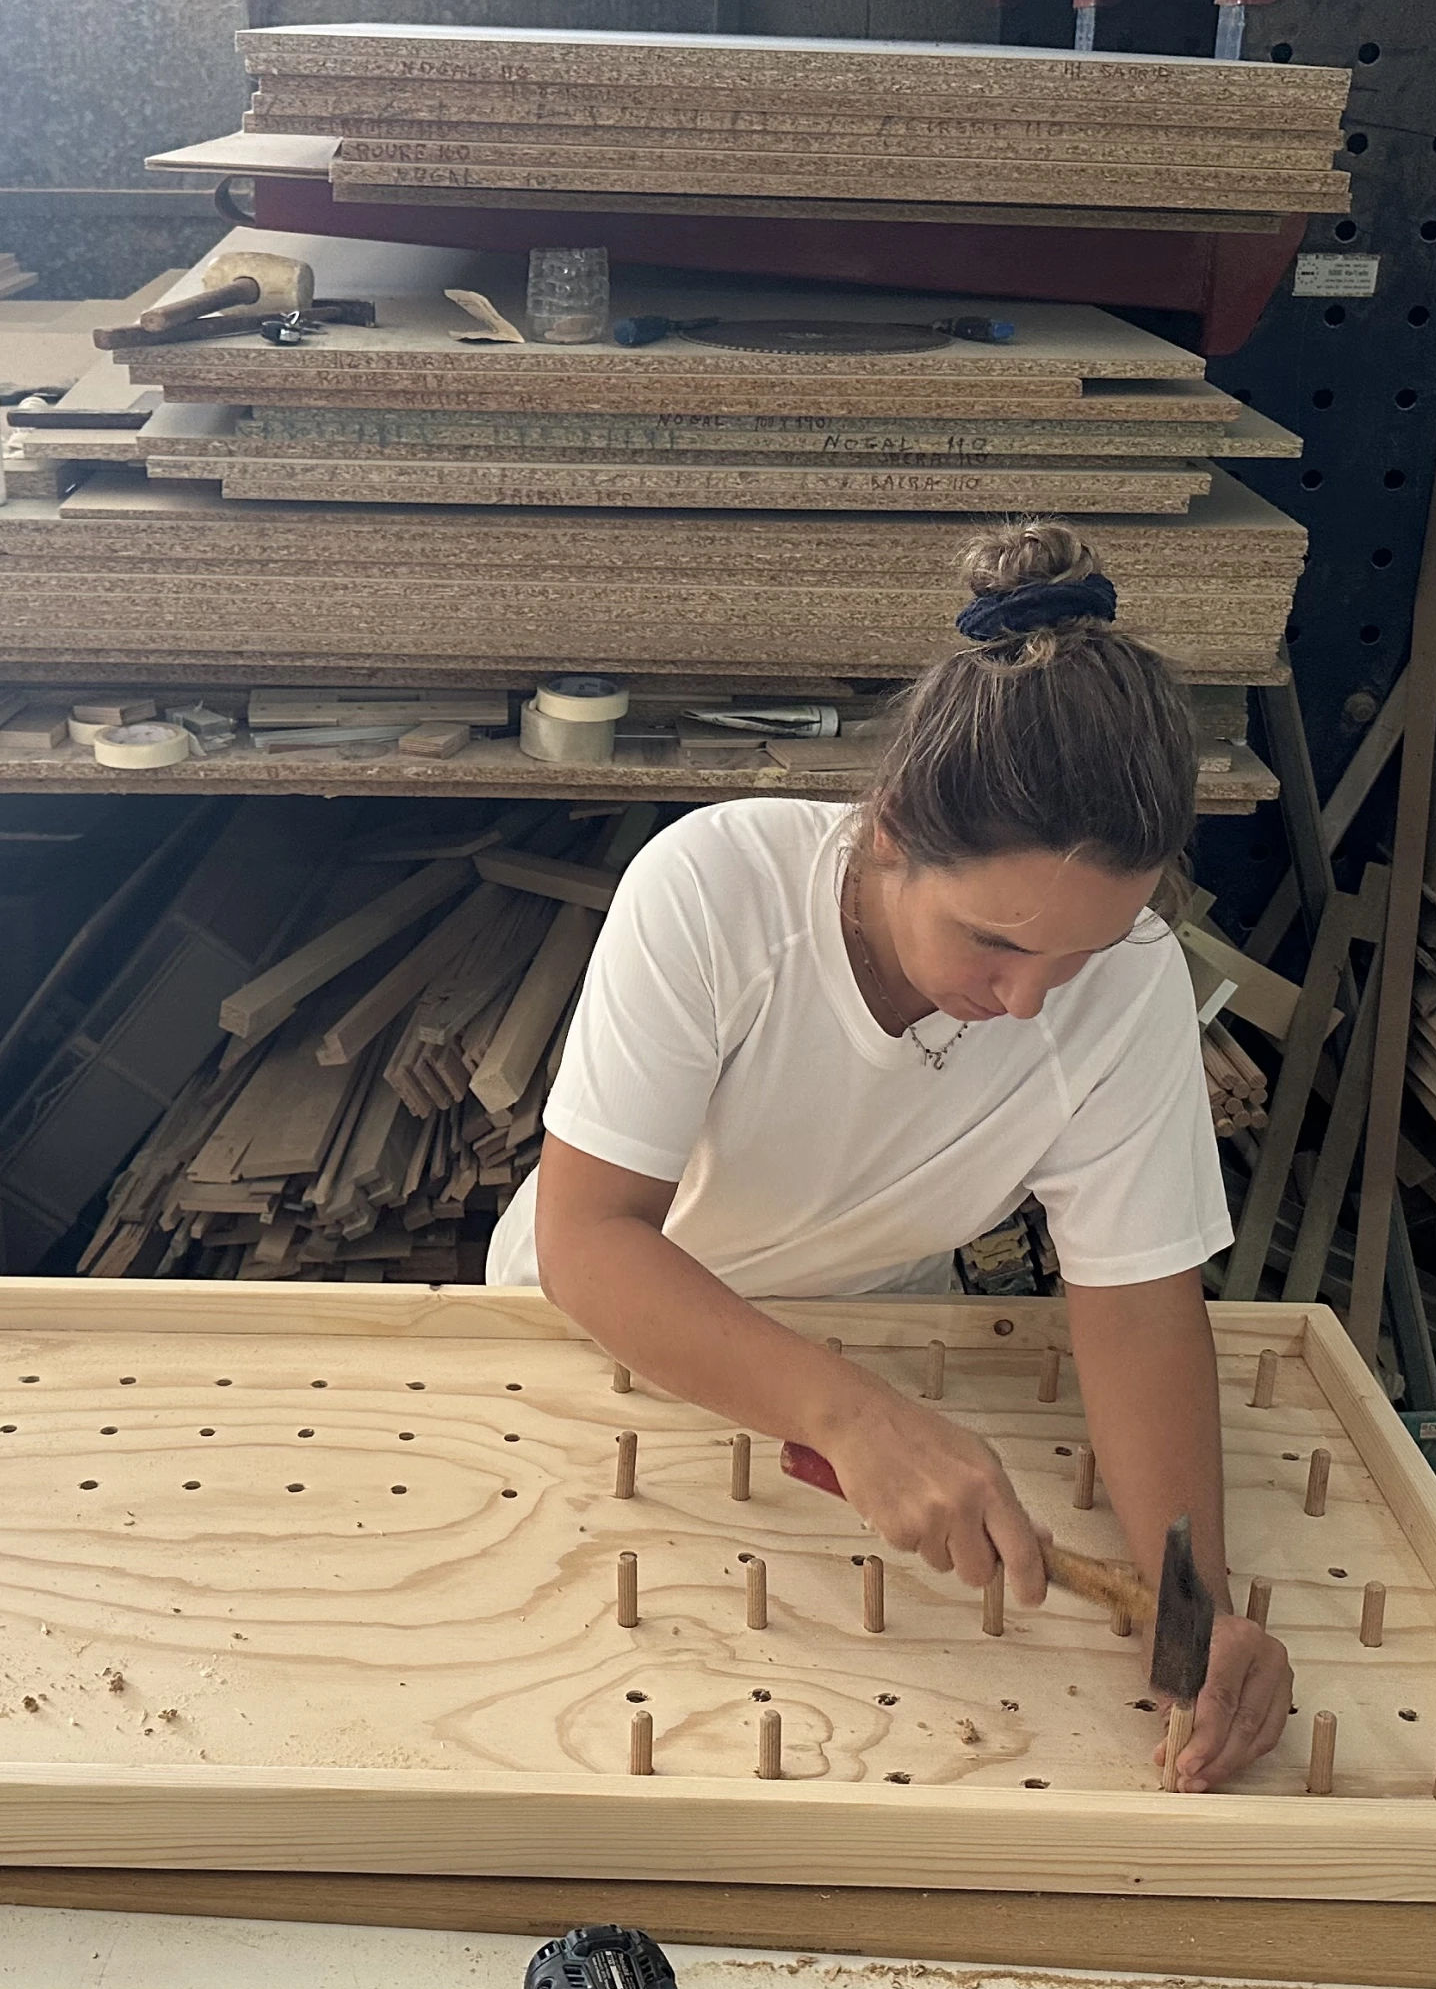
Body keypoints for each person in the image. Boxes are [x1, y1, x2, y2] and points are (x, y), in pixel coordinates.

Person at [488, 520, 1293, 1790]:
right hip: (600, 1339)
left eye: (1077, 955)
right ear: (892, 831)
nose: (1032, 1004)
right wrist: (851, 1417)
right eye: (994, 943)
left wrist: (1193, 1618)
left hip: (873, 1345)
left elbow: (1139, 1314)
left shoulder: (1126, 987)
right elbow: (588, 1241)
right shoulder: (710, 889)